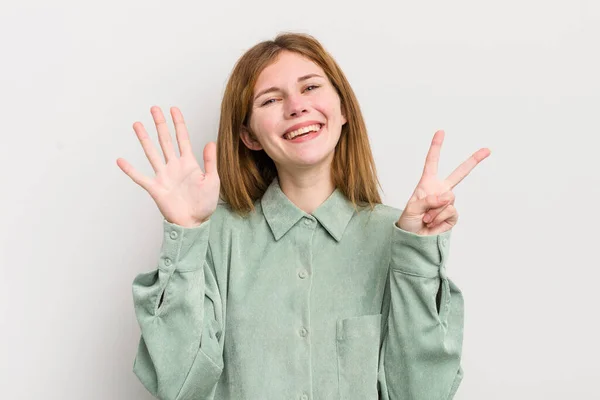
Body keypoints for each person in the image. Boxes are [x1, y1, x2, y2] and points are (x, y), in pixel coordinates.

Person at [117, 32, 490, 400]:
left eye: (310, 88)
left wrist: (417, 254)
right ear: (249, 136)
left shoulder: (397, 236)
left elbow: (421, 392)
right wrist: (186, 235)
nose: (296, 106)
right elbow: (179, 386)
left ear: (343, 109)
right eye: (270, 99)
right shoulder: (216, 237)